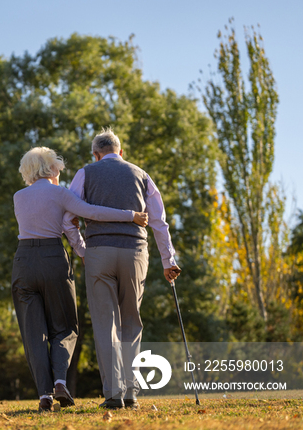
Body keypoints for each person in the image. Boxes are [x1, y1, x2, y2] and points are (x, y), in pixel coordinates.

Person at [12, 146, 148, 412]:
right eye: (58, 169)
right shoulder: (60, 194)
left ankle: (44, 395)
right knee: (65, 328)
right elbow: (93, 212)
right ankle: (61, 381)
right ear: (51, 169)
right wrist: (130, 216)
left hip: (23, 262)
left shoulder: (18, 196)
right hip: (53, 259)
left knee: (33, 333)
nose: (60, 173)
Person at [62, 127, 181, 410]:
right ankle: (132, 393)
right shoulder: (142, 175)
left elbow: (67, 219)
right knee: (131, 321)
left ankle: (114, 394)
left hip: (99, 253)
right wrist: (169, 261)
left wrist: (82, 251)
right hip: (135, 253)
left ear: (96, 154)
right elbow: (159, 222)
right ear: (121, 152)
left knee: (106, 324)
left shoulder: (85, 173)